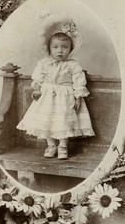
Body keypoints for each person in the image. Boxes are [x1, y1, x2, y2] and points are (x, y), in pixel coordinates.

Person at [16, 13, 95, 159]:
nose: (60, 50)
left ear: (70, 49)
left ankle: (63, 146)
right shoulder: (44, 63)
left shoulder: (73, 65)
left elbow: (78, 81)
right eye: (56, 47)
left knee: (63, 120)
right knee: (46, 119)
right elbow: (38, 79)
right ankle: (51, 145)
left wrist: (78, 98)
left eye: (64, 47)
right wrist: (37, 90)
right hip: (47, 95)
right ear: (49, 48)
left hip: (65, 96)